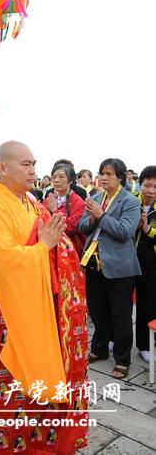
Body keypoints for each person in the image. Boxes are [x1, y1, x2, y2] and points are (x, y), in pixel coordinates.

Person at [0, 141, 89, 455]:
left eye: (33, 163)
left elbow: (53, 242)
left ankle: (41, 441)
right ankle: (5, 445)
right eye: (26, 164)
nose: (33, 171)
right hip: (6, 313)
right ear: (3, 168)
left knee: (36, 384)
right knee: (10, 384)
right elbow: (5, 263)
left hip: (38, 306)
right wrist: (43, 247)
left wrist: (53, 240)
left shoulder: (30, 201)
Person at [78, 158, 141, 379]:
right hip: (94, 263)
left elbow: (125, 231)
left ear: (121, 177)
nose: (104, 177)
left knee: (121, 315)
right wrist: (94, 217)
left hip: (120, 268)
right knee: (97, 311)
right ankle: (99, 348)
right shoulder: (95, 198)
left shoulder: (130, 201)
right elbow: (82, 226)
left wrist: (101, 215)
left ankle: (123, 360)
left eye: (109, 174)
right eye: (102, 173)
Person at [135, 166, 156, 362]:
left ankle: (144, 345)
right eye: (147, 185)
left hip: (150, 264)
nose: (151, 190)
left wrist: (147, 228)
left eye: (155, 187)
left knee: (147, 305)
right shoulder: (130, 201)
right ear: (139, 184)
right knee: (120, 304)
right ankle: (114, 340)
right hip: (126, 261)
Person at [44, 163, 85, 256]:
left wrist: (54, 210)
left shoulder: (78, 202)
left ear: (70, 181)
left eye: (61, 177)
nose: (56, 180)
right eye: (54, 177)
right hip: (50, 249)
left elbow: (71, 227)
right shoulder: (50, 198)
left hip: (69, 251)